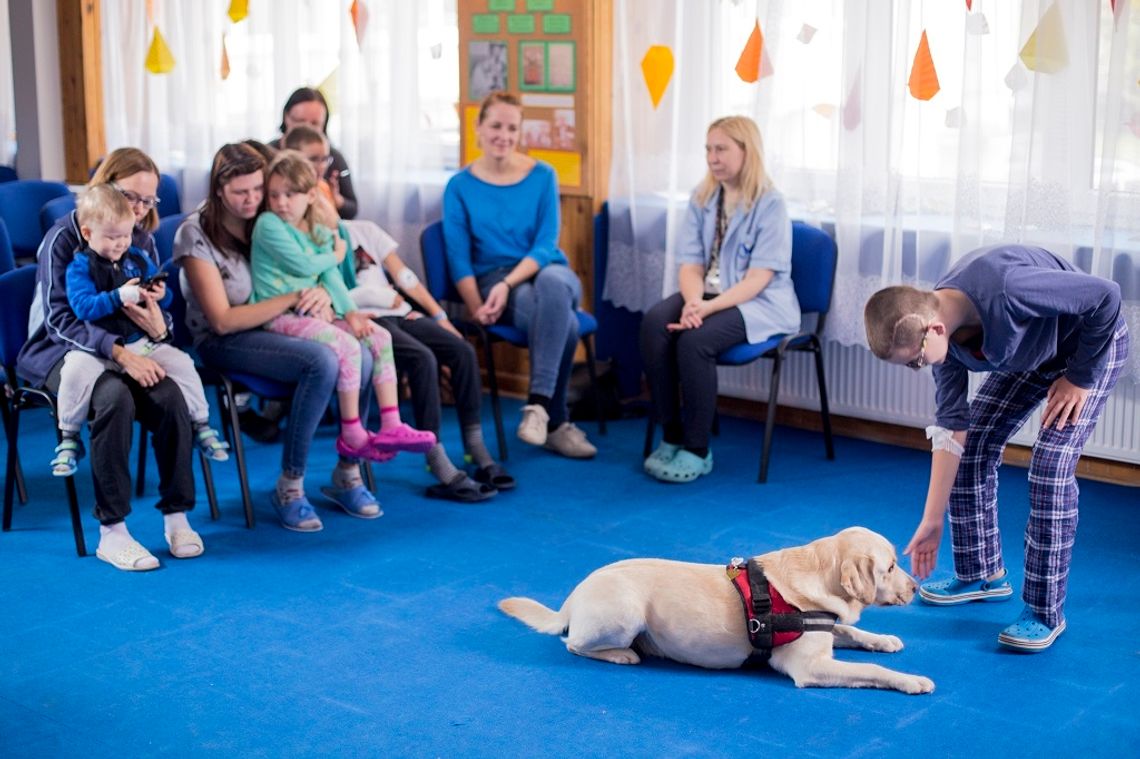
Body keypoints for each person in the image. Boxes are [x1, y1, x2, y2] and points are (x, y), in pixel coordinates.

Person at [863, 244, 1130, 652]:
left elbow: (1106, 295)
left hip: (1092, 346)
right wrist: (933, 519)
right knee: (974, 448)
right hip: (1035, 356)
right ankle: (981, 573)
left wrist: (1078, 377)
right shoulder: (943, 338)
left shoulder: (1009, 288)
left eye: (914, 361)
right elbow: (953, 429)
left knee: (1050, 466)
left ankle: (1044, 612)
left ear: (933, 329)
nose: (918, 368)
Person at [176, 143, 377, 532]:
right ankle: (291, 484)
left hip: (284, 324)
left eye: (257, 189)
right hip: (225, 340)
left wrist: (319, 291)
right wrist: (297, 296)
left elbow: (309, 262)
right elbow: (222, 321)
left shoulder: (269, 214)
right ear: (218, 189)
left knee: (364, 354)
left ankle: (347, 471)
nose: (252, 199)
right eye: (240, 192)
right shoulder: (194, 233)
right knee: (320, 362)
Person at [19, 148, 200, 571]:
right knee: (115, 398)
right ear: (105, 187)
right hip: (60, 350)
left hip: (125, 348)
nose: (139, 210)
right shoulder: (63, 239)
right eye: (131, 197)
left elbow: (156, 308)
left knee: (170, 398)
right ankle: (113, 532)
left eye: (148, 201)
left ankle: (177, 516)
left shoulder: (139, 238)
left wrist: (160, 330)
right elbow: (59, 319)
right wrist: (121, 354)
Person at [638, 116, 799, 484]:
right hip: (706, 293)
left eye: (722, 148)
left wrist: (706, 309)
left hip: (759, 301)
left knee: (695, 341)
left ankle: (697, 448)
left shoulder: (771, 204)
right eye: (708, 149)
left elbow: (759, 278)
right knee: (653, 324)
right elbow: (690, 264)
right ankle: (671, 433)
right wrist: (694, 301)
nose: (713, 157)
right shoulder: (703, 196)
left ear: (747, 151)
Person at [250, 150, 435, 467]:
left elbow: (330, 277)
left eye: (290, 194)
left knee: (377, 337)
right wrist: (336, 254)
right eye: (274, 194)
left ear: (310, 195)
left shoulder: (318, 230)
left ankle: (390, 424)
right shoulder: (268, 224)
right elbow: (305, 263)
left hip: (312, 312)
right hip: (279, 315)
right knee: (347, 346)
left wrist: (351, 313)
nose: (281, 202)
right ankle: (351, 433)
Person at [442, 91, 596, 459]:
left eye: (513, 128)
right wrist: (478, 306)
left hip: (542, 270)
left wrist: (507, 284)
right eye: (495, 125)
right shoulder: (459, 187)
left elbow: (546, 245)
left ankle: (538, 405)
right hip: (493, 282)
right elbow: (458, 259)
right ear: (478, 128)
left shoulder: (543, 175)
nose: (504, 135)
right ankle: (556, 421)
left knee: (553, 282)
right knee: (568, 326)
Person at [51, 185, 229, 478]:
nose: (121, 243)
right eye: (111, 237)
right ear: (87, 233)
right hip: (98, 349)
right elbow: (82, 307)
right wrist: (118, 297)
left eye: (125, 235)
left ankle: (201, 423)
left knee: (183, 363)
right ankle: (69, 436)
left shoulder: (136, 257)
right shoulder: (79, 266)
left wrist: (159, 295)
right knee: (73, 371)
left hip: (139, 342)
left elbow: (166, 298)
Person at [268, 87, 357, 219]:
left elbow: (352, 209)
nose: (307, 128)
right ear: (286, 117)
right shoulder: (266, 155)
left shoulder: (334, 158)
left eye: (315, 123)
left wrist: (335, 199)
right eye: (300, 121)